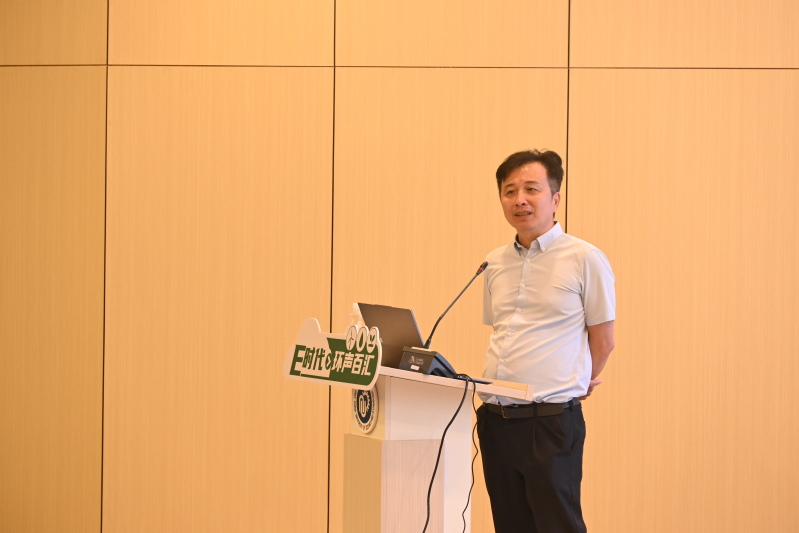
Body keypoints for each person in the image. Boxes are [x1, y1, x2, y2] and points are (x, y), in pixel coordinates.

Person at [476, 149, 616, 533]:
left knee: (557, 526)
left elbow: (604, 340)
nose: (519, 199)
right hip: (495, 420)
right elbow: (503, 332)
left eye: (531, 189)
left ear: (555, 199)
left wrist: (580, 379)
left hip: (550, 421)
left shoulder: (585, 258)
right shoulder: (493, 263)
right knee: (510, 525)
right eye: (509, 191)